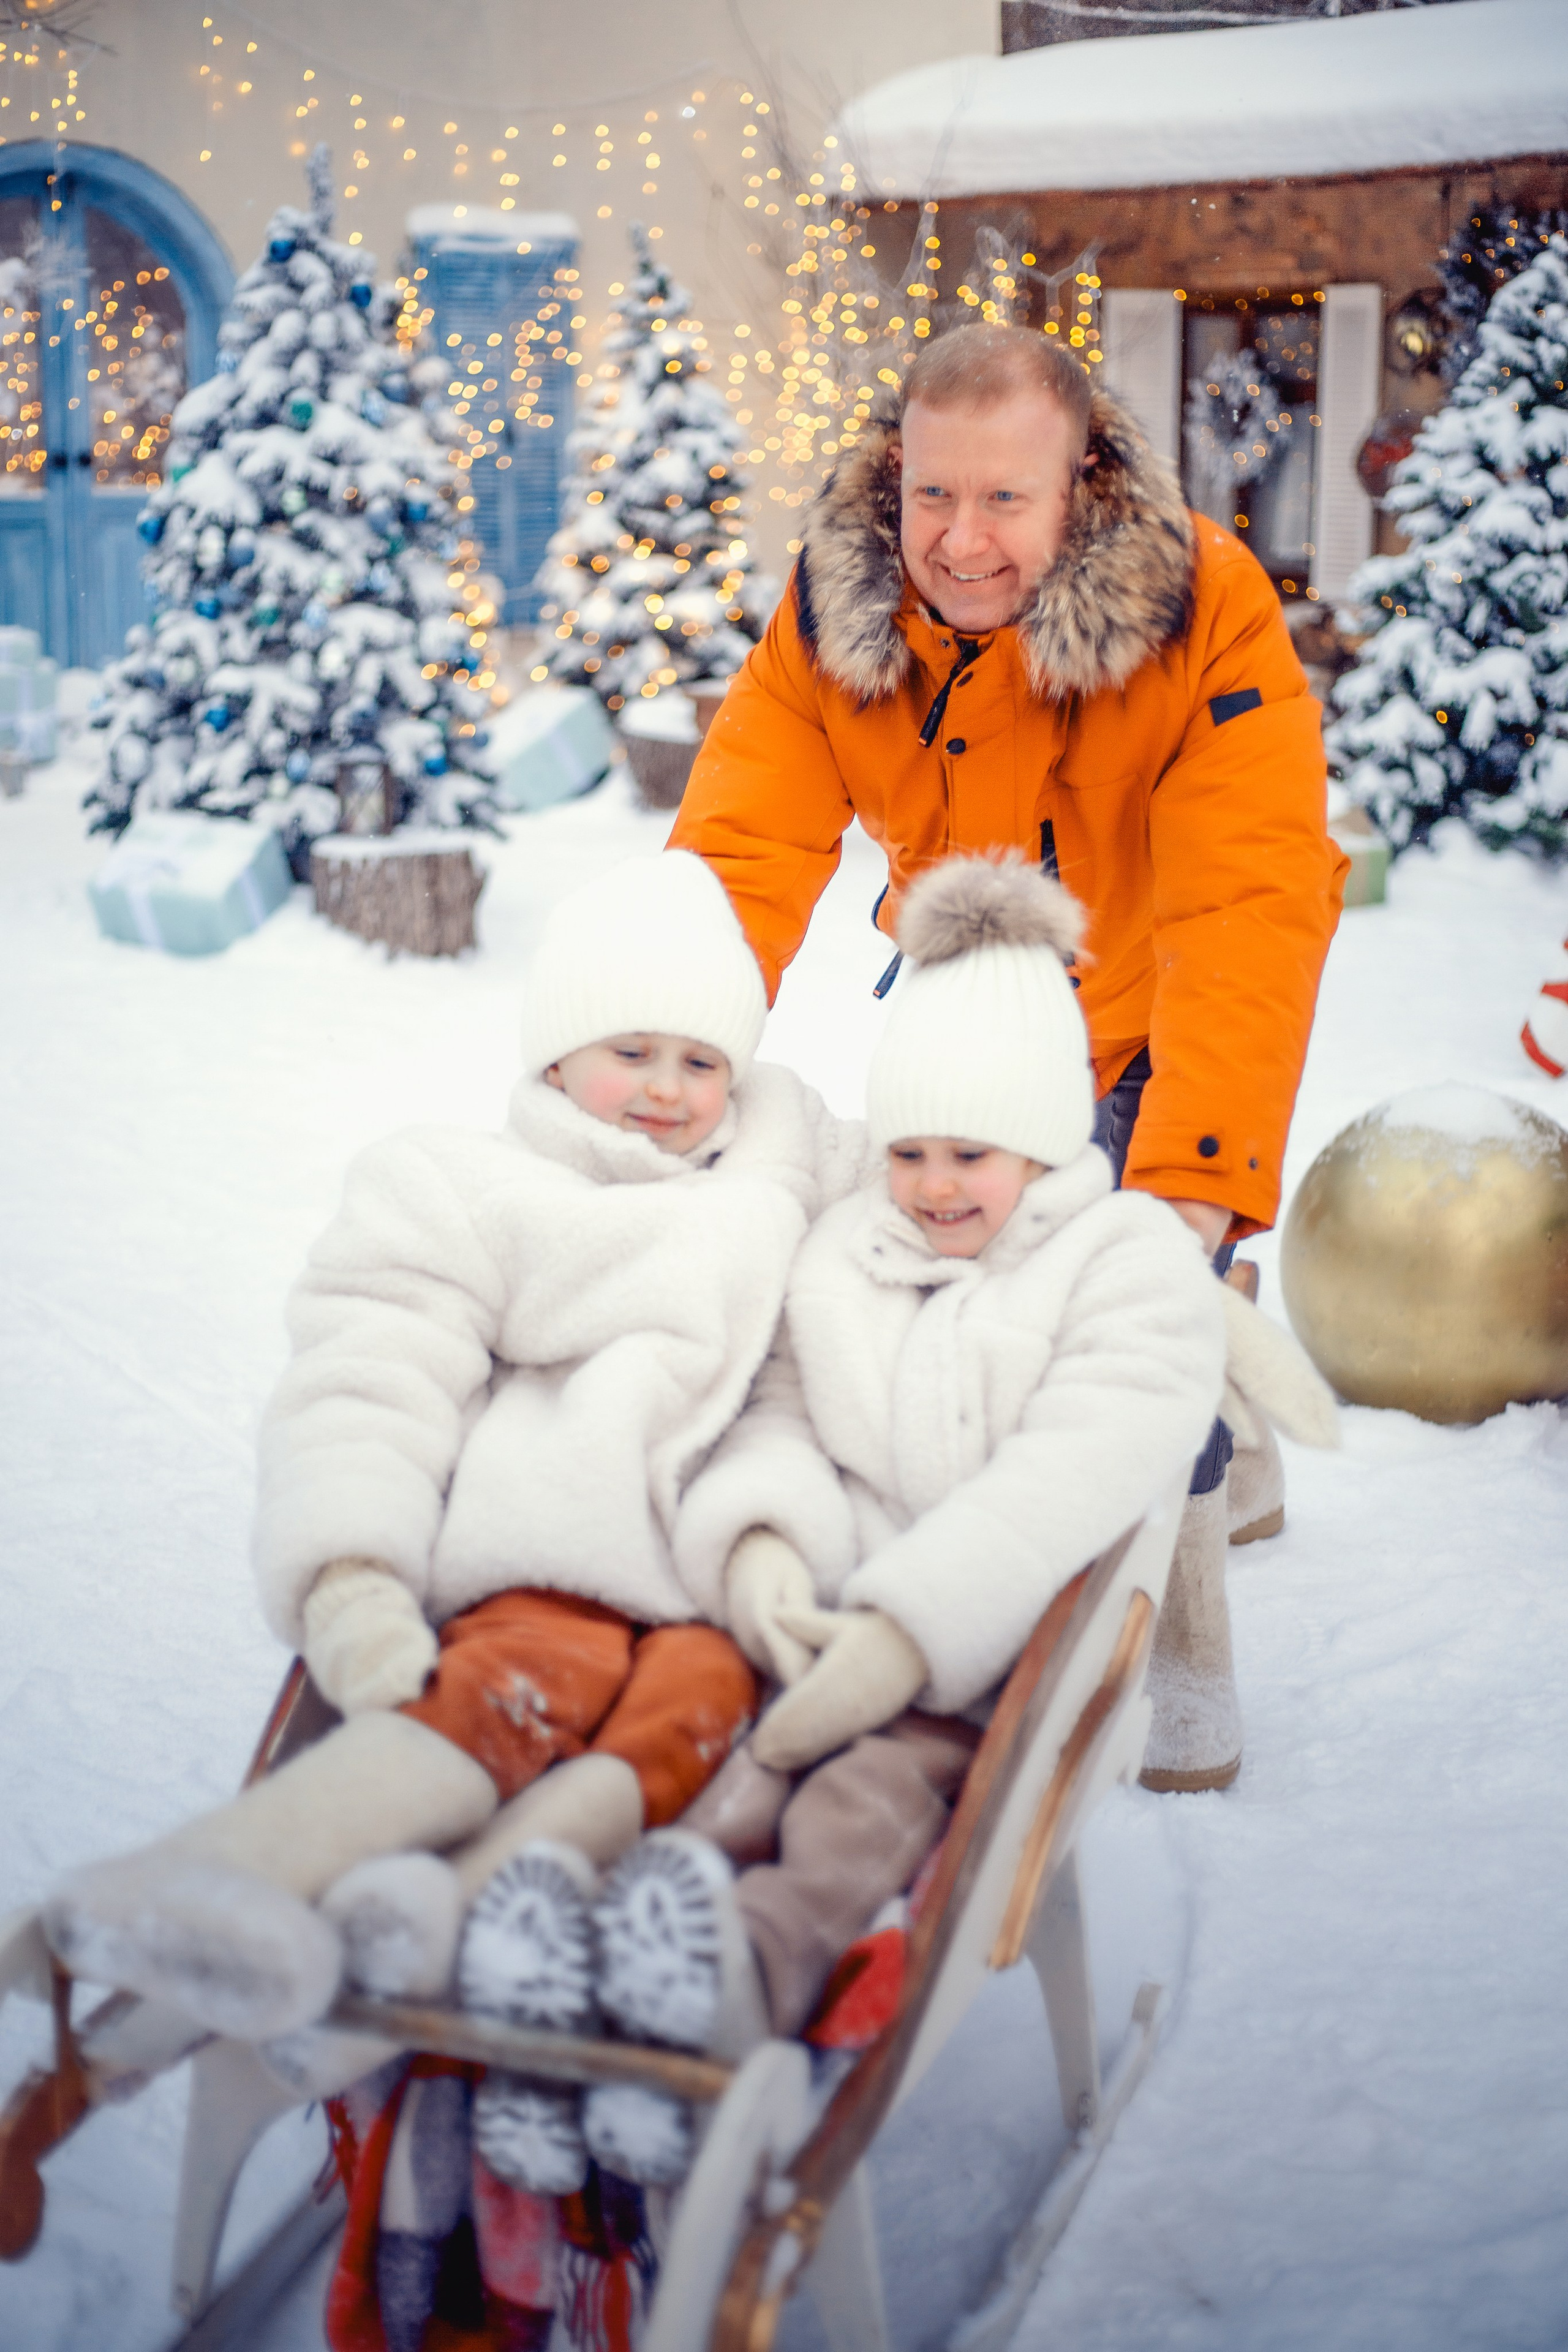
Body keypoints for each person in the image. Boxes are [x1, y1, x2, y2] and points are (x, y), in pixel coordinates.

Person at [41, 849, 864, 2196]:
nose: (666, 1089)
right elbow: (369, 1377)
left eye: (701, 1061)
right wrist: (350, 1569)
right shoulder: (464, 1190)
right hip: (541, 1560)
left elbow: (925, 1201)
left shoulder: (773, 1182)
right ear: (553, 1061)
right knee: (510, 1691)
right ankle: (208, 1886)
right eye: (630, 1051)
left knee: (694, 1717)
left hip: (707, 1584)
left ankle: (456, 1913)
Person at [670, 320, 1349, 1789]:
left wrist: (1192, 1185)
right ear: (890, 477)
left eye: (1004, 501)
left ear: (1085, 477)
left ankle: (1185, 1637)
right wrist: (664, 1048)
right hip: (974, 1002)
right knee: (956, 1279)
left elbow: (1250, 898)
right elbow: (739, 847)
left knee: (1127, 1297)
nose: (957, 542)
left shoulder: (1201, 605)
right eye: (930, 496)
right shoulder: (832, 613)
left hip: (1157, 1002)